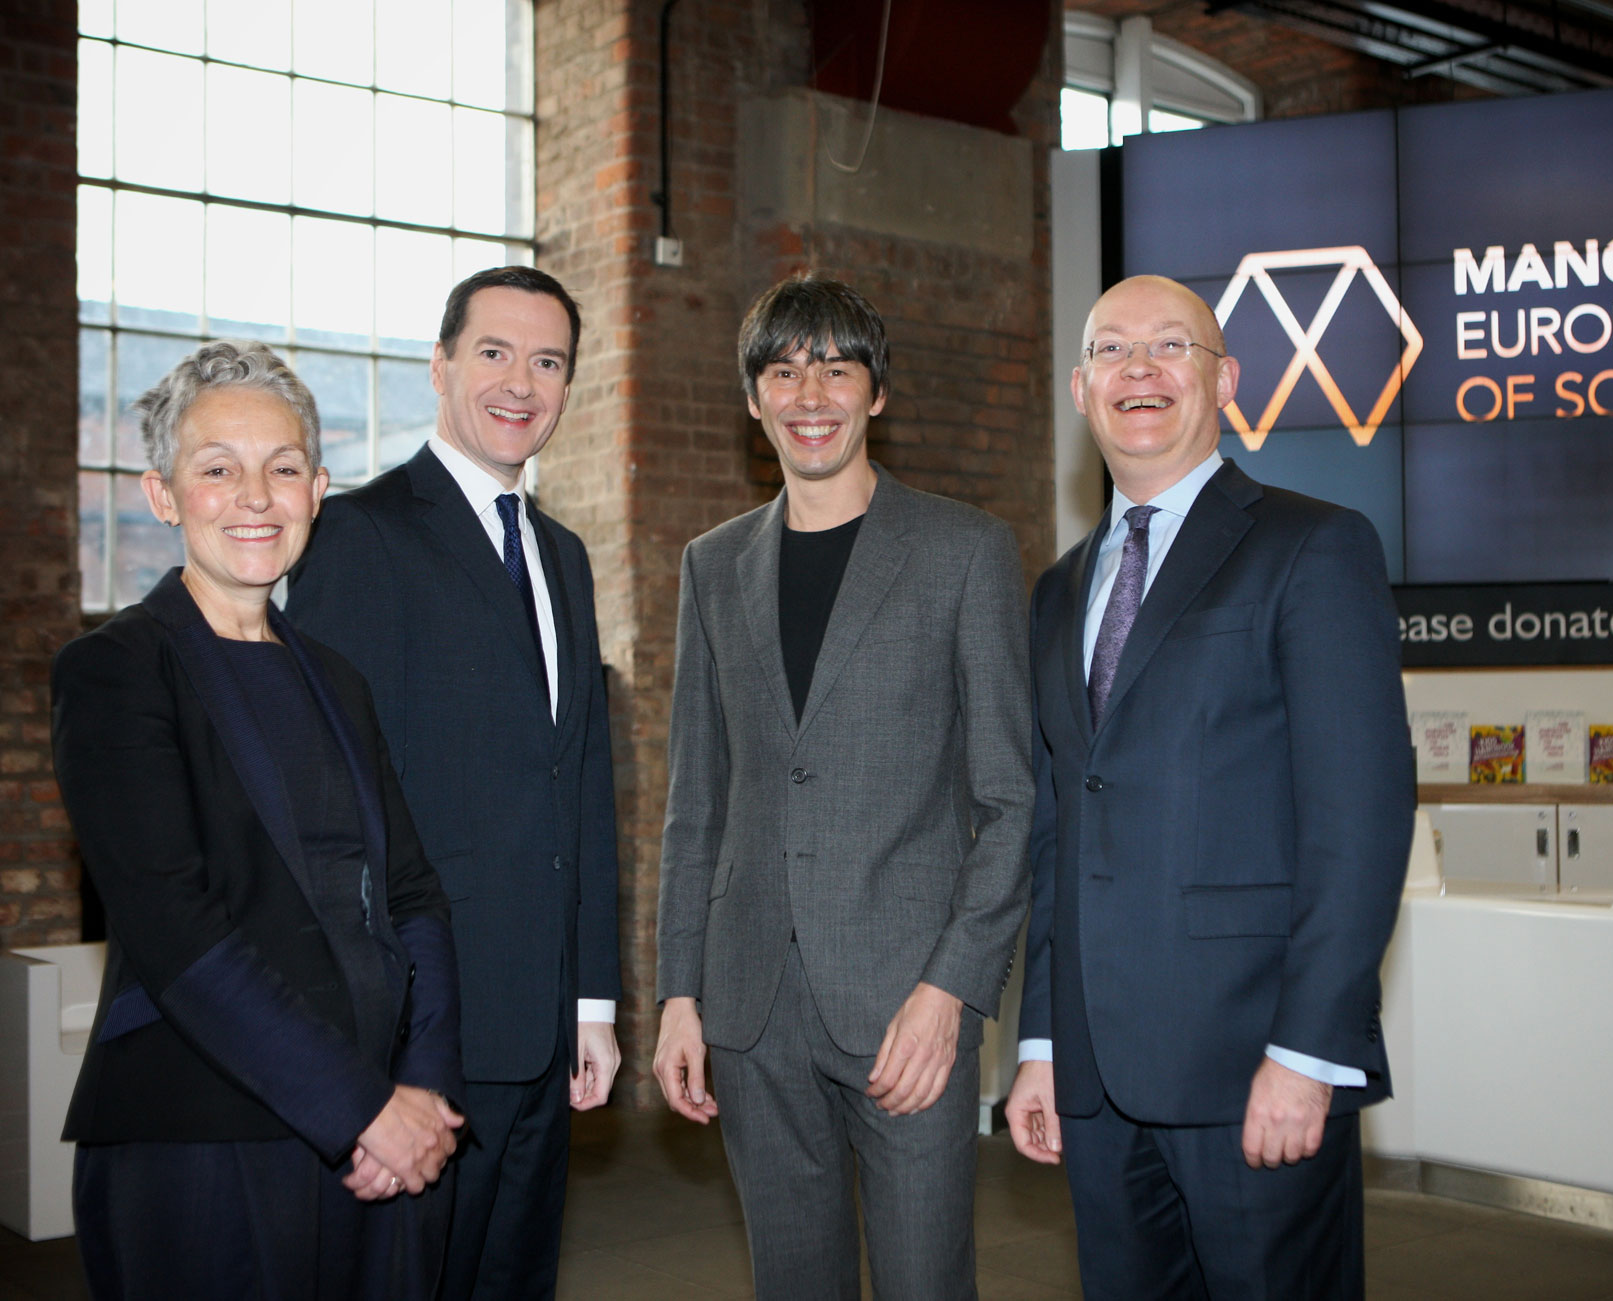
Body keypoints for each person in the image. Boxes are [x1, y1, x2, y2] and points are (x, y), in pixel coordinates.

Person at [1004, 275, 1415, 1299]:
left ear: (1225, 379)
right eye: (1111, 350)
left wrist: (1311, 1051)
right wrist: (1044, 1042)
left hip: (1254, 1067)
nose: (1139, 369)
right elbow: (1060, 828)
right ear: (1080, 387)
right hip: (1097, 1085)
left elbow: (1357, 821)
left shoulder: (1313, 545)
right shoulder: (1058, 589)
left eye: (1170, 346)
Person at [51, 341, 467, 1299]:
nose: (255, 495)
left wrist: (428, 1085)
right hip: (206, 1140)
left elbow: (413, 895)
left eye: (282, 468)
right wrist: (360, 1106)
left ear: (317, 490)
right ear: (163, 495)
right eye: (217, 468)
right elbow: (174, 930)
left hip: (387, 1142)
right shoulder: (117, 670)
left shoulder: (339, 679)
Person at [652, 275, 1033, 1299]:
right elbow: (698, 802)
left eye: (835, 366)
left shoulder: (964, 552)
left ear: (876, 393)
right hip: (751, 1007)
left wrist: (952, 988)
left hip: (906, 1005)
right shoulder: (712, 565)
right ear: (753, 399)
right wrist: (680, 991)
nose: (807, 391)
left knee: (922, 1281)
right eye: (782, 369)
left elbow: (1010, 800)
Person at [285, 267, 622, 1299]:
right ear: (439, 367)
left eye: (549, 360)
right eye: (493, 353)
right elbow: (324, 804)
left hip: (540, 1028)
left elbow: (582, 791)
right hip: (420, 1031)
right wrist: (360, 1046)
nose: (521, 382)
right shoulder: (361, 535)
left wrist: (594, 999)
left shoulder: (563, 555)